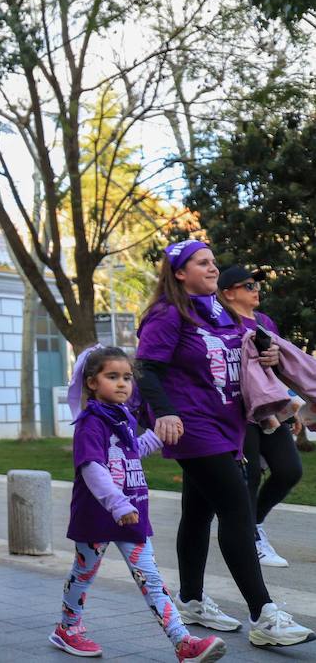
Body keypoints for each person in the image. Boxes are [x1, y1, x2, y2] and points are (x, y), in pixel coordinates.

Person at [135, 240, 312, 646]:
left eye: (213, 261)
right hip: (193, 425)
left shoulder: (220, 312)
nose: (213, 268)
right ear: (180, 273)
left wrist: (267, 356)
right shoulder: (167, 314)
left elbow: (242, 354)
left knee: (197, 511)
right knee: (237, 509)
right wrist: (165, 413)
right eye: (202, 263)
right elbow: (146, 369)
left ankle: (191, 600)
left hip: (228, 422)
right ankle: (264, 615)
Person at [51, 345, 225, 661]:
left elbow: (131, 451)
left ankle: (183, 642)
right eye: (112, 376)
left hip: (132, 515)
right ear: (92, 382)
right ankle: (68, 628)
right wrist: (118, 505)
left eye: (127, 377)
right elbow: (92, 468)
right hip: (99, 516)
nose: (122, 383)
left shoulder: (123, 417)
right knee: (84, 573)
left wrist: (157, 437)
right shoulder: (92, 423)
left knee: (152, 579)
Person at [218, 264, 304, 568]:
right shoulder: (221, 322)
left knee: (289, 470)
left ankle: (253, 522)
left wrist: (275, 359)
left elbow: (276, 368)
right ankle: (250, 538)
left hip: (267, 407)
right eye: (249, 286)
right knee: (250, 474)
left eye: (256, 285)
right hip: (236, 409)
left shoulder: (265, 321)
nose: (256, 290)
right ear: (228, 293)